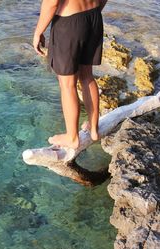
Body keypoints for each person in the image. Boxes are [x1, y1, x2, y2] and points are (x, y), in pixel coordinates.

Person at [33, 0, 107, 149]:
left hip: (69, 23)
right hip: (93, 16)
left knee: (67, 84)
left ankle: (72, 137)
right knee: (87, 76)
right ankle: (94, 130)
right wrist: (93, 12)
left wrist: (38, 32)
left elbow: (52, 3)